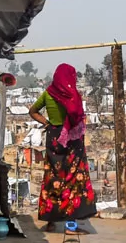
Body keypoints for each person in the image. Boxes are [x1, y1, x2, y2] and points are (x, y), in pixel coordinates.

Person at [29, 64, 96, 234]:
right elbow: (78, 118)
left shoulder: (47, 93)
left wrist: (47, 122)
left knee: (52, 176)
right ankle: (70, 226)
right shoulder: (73, 96)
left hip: (53, 137)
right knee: (72, 179)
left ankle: (51, 222)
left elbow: (33, 111)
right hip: (72, 139)